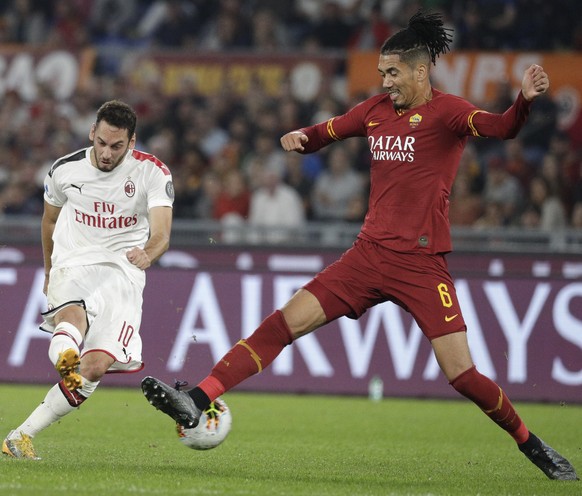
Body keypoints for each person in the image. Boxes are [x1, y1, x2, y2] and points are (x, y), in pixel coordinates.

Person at [140, 12, 578, 481]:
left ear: (420, 71)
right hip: (366, 258)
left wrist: (524, 103)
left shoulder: (449, 112)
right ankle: (197, 399)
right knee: (283, 323)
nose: (386, 82)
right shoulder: (373, 113)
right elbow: (326, 133)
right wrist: (300, 139)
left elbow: (501, 128)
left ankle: (532, 445)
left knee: (462, 375)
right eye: (382, 73)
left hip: (421, 264)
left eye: (394, 73)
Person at [2, 100, 174, 459]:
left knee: (93, 368)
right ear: (92, 133)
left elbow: (161, 233)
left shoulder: (152, 173)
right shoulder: (65, 171)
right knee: (72, 318)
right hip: (73, 261)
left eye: (117, 146)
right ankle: (66, 354)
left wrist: (149, 253)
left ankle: (20, 436)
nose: (107, 153)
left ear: (132, 141)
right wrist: (49, 270)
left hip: (124, 273)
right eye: (102, 143)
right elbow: (49, 221)